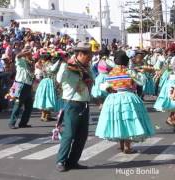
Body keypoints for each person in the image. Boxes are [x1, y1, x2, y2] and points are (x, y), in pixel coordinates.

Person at [96, 50, 155, 153]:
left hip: (113, 98)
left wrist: (110, 89)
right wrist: (142, 73)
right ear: (126, 61)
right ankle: (127, 146)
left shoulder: (111, 72)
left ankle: (122, 145)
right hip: (128, 97)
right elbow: (141, 81)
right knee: (128, 121)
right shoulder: (129, 71)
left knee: (119, 120)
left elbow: (104, 86)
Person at [55, 42, 94, 172]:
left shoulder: (86, 68)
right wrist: (64, 64)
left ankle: (72, 161)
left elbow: (92, 80)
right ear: (80, 54)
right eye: (88, 55)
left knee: (82, 135)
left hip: (84, 103)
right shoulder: (68, 66)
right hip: (72, 103)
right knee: (69, 134)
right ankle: (61, 161)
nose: (90, 57)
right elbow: (59, 79)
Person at [8, 46, 35, 129]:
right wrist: (26, 52)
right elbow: (17, 56)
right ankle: (12, 123)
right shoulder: (20, 61)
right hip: (19, 84)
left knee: (29, 105)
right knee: (18, 104)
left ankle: (23, 123)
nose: (30, 54)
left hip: (28, 85)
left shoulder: (30, 63)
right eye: (27, 52)